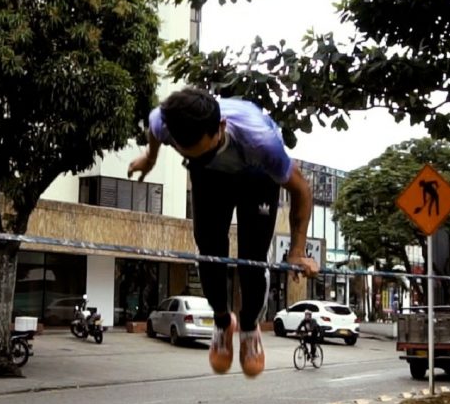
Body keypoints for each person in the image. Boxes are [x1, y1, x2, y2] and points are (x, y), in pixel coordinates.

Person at [128, 87, 319, 377]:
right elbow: (155, 130)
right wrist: (150, 159)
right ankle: (221, 322)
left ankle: (248, 328)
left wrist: (296, 251)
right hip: (211, 178)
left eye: (203, 151)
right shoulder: (165, 121)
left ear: (220, 127)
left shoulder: (262, 141)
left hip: (255, 174)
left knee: (252, 259)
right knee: (208, 250)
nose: (196, 156)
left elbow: (302, 190)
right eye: (188, 153)